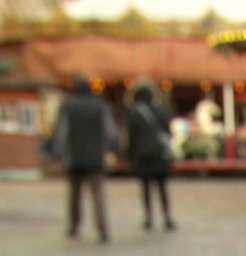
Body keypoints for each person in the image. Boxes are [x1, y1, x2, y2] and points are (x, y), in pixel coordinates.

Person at [51, 78, 117, 243]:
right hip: (96, 157)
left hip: (74, 157)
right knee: (98, 195)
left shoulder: (68, 106)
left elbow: (62, 132)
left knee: (75, 195)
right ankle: (102, 229)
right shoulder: (100, 106)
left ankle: (74, 227)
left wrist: (58, 153)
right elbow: (111, 132)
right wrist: (110, 149)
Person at [126, 85, 175, 231]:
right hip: (160, 153)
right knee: (162, 187)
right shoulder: (161, 109)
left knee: (146, 187)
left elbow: (131, 136)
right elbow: (167, 130)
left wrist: (130, 155)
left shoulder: (135, 113)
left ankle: (149, 217)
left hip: (143, 155)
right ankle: (167, 216)